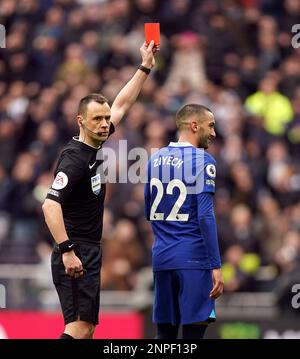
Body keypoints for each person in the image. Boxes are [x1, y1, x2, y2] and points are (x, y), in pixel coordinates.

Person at [42, 41, 157, 339]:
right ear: (81, 121)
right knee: (79, 328)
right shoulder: (74, 159)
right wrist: (67, 251)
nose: (106, 124)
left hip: (88, 249)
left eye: (105, 119)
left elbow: (121, 104)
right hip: (76, 250)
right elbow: (50, 205)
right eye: (98, 119)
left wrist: (144, 67)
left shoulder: (95, 142)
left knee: (88, 330)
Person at [144, 104, 224, 339]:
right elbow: (205, 216)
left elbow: (148, 211)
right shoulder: (203, 161)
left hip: (162, 257)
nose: (214, 133)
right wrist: (216, 265)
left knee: (164, 334)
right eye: (211, 126)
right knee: (194, 333)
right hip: (194, 259)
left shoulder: (153, 160)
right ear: (194, 125)